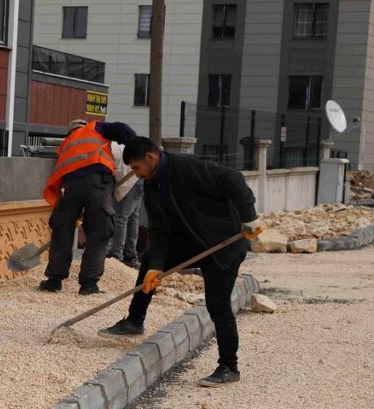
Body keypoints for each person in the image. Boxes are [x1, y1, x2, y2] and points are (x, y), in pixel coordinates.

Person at [97, 138, 263, 387]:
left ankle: (229, 366)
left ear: (150, 159)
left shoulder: (188, 168)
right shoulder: (152, 186)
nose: (135, 174)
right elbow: (160, 232)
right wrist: (157, 266)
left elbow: (234, 180)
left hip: (224, 242)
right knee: (149, 263)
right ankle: (134, 320)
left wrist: (249, 217)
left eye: (136, 167)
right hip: (193, 241)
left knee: (217, 303)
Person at [39, 119, 138, 296]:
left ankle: (54, 281)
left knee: (62, 230)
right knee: (99, 231)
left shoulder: (65, 145)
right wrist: (138, 146)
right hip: (97, 181)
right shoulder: (95, 127)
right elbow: (122, 128)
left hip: (69, 185)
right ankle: (89, 285)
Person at [106, 142, 142, 269]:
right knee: (133, 218)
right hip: (138, 178)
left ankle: (117, 256)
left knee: (121, 218)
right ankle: (130, 254)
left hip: (131, 180)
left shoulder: (105, 149)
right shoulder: (114, 146)